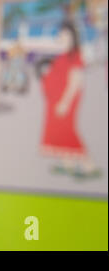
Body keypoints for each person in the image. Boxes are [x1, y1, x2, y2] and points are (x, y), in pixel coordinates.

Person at [40, 21, 100, 178]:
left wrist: (65, 102)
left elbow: (75, 82)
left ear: (73, 37)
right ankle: (68, 164)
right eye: (61, 35)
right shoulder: (62, 56)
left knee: (67, 131)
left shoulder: (75, 56)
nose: (62, 38)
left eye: (65, 35)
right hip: (56, 100)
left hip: (65, 101)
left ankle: (90, 167)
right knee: (58, 131)